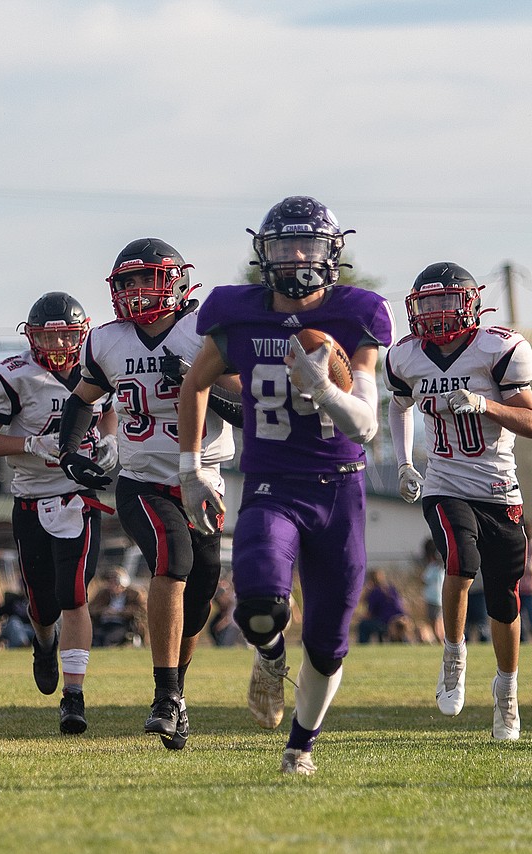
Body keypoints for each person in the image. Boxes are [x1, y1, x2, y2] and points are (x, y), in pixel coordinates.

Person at [178, 195, 392, 774]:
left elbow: (367, 424)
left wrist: (322, 389)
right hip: (273, 485)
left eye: (308, 245)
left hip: (341, 491)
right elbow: (194, 382)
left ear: (331, 255)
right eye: (283, 245)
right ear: (263, 253)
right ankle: (270, 659)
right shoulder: (236, 314)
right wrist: (191, 466)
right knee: (259, 605)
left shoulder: (357, 315)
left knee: (327, 643)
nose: (296, 256)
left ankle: (300, 745)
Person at [55, 237, 238, 751]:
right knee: (171, 562)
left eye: (147, 278)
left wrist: (196, 383)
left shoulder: (206, 331)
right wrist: (71, 451)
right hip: (143, 480)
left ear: (177, 280)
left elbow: (249, 410)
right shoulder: (107, 340)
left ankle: (176, 697)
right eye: (128, 281)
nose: (137, 290)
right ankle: (165, 695)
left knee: (200, 596)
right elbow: (83, 401)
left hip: (202, 481)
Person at [385, 261, 532, 741]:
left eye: (445, 302)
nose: (436, 313)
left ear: (469, 303)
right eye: (427, 303)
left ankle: (506, 693)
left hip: (497, 488)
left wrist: (485, 404)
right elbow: (398, 405)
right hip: (444, 481)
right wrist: (404, 463)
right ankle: (453, 657)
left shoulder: (498, 349)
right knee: (459, 560)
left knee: (503, 599)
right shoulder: (407, 357)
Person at [0, 291, 118, 734]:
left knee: (74, 593)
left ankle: (74, 696)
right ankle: (43, 643)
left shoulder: (98, 366)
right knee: (41, 602)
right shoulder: (14, 376)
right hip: (31, 498)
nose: (57, 348)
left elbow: (107, 414)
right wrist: (31, 444)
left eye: (67, 337)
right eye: (48, 339)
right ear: (31, 338)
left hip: (78, 494)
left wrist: (110, 443)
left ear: (82, 334)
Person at [89, 566, 148, 648]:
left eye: (114, 581)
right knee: (95, 638)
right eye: (109, 581)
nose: (111, 584)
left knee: (107, 639)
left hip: (122, 624)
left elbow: (141, 610)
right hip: (103, 624)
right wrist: (103, 611)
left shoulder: (135, 594)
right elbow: (91, 608)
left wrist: (119, 612)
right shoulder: (103, 594)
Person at [358, 569, 419, 644]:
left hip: (388, 622)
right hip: (403, 618)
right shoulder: (391, 588)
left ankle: (363, 645)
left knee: (363, 625)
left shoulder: (374, 592)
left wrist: (358, 617)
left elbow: (370, 613)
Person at [421, 538, 446, 643]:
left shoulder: (433, 567)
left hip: (433, 598)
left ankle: (439, 640)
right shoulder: (442, 567)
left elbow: (424, 579)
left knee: (434, 621)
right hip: (439, 597)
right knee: (439, 620)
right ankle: (441, 640)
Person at [207, 577, 243, 647]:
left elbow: (229, 618)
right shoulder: (224, 602)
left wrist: (220, 625)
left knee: (224, 644)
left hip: (234, 625)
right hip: (230, 622)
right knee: (213, 626)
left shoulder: (233, 600)